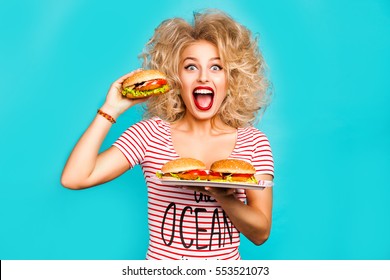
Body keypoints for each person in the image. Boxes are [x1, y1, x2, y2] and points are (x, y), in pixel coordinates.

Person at [61, 9, 274, 260]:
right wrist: (110, 109)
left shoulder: (254, 143)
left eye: (216, 67)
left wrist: (222, 195)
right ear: (176, 78)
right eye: (191, 67)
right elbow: (75, 178)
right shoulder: (149, 134)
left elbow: (261, 233)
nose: (203, 77)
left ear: (231, 78)